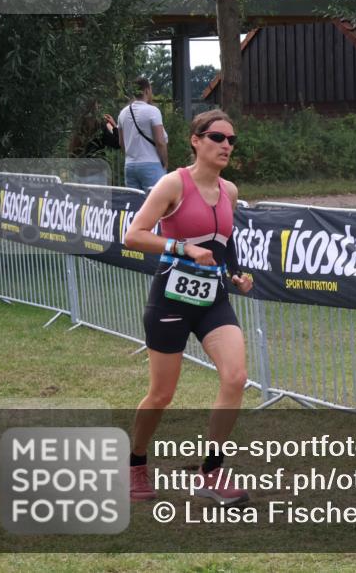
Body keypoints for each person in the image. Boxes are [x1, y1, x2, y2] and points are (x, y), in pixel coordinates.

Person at [124, 109, 253, 505]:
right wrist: (182, 248)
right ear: (196, 141)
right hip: (171, 299)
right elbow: (134, 236)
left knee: (235, 378)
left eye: (231, 140)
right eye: (217, 137)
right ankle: (135, 464)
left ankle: (211, 472)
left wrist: (237, 274)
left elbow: (224, 244)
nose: (226, 145)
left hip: (213, 300)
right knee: (162, 394)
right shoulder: (171, 184)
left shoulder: (229, 191)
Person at [118, 76, 168, 191]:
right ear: (147, 90)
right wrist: (165, 163)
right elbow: (160, 142)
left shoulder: (123, 113)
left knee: (134, 204)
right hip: (151, 164)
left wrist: (131, 157)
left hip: (130, 166)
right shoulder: (153, 111)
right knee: (157, 204)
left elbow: (121, 142)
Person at [69, 102, 120, 185]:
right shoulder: (99, 125)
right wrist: (114, 127)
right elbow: (117, 144)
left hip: (79, 173)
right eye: (97, 104)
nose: (99, 106)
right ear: (94, 108)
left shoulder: (78, 126)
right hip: (97, 171)